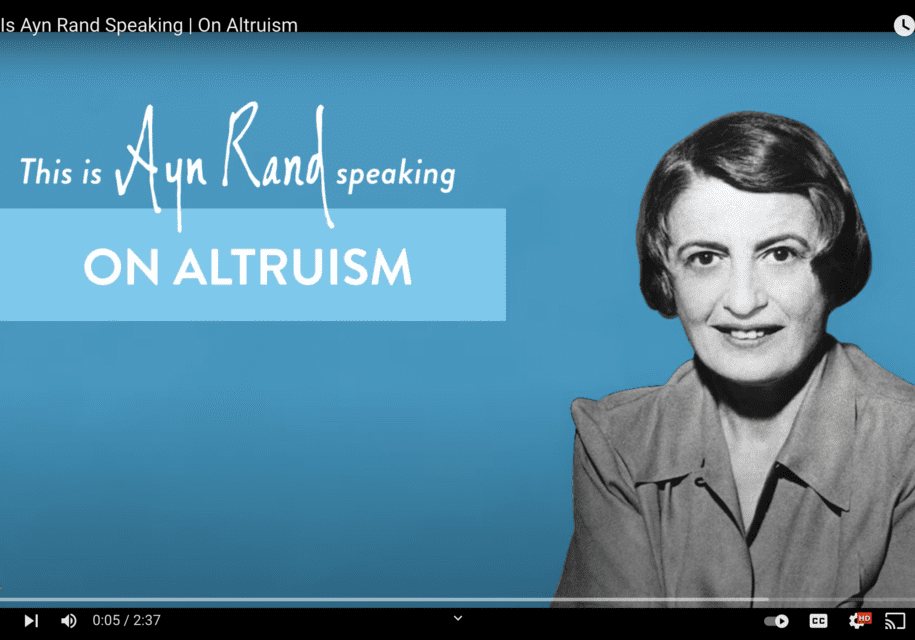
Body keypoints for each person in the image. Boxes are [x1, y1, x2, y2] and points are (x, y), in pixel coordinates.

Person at [553, 112, 915, 608]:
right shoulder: (615, 443)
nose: (743, 302)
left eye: (781, 254)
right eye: (705, 258)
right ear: (668, 280)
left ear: (832, 267)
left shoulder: (906, 444)